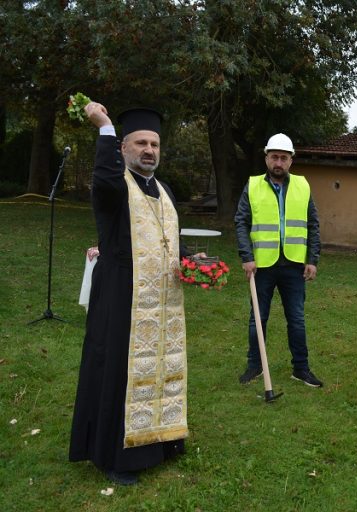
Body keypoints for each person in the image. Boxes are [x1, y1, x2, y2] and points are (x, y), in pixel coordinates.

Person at [70, 102, 203, 485]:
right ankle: (115, 457)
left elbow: (167, 240)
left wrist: (191, 263)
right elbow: (107, 176)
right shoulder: (113, 185)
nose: (149, 150)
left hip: (162, 300)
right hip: (119, 296)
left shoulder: (164, 189)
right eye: (141, 143)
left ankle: (162, 441)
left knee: (163, 368)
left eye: (155, 144)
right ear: (124, 148)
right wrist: (105, 127)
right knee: (119, 371)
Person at [234, 133, 323, 388]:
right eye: (274, 157)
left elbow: (312, 224)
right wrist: (247, 257)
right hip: (261, 265)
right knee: (258, 318)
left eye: (284, 158)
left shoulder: (303, 186)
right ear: (266, 158)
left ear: (291, 161)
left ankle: (301, 368)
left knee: (296, 318)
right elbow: (241, 221)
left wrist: (312, 259)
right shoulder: (252, 186)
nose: (279, 162)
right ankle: (255, 365)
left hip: (294, 265)